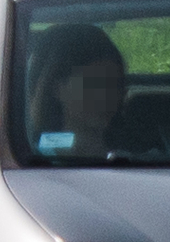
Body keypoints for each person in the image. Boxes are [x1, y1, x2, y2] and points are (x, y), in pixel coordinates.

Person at [25, 22, 131, 159]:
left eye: (114, 85)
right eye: (93, 85)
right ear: (57, 87)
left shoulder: (145, 164)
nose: (105, 96)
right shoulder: (34, 162)